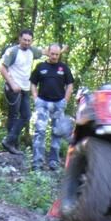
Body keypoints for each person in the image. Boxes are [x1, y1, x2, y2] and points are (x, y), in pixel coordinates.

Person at [0, 29, 44, 155]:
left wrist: (59, 51)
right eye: (24, 40)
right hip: (13, 88)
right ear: (19, 39)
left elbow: (44, 52)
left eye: (29, 40)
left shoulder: (32, 51)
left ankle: (9, 141)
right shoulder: (12, 51)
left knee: (26, 115)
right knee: (13, 116)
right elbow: (2, 67)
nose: (27, 43)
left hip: (25, 88)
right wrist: (12, 83)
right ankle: (12, 144)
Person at [30, 43, 74, 171]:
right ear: (48, 53)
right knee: (40, 131)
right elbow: (33, 83)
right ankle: (37, 163)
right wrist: (35, 98)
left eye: (57, 54)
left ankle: (53, 162)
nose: (54, 56)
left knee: (57, 133)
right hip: (43, 103)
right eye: (52, 54)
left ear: (60, 54)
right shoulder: (40, 66)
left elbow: (70, 85)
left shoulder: (63, 68)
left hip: (58, 103)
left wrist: (65, 100)